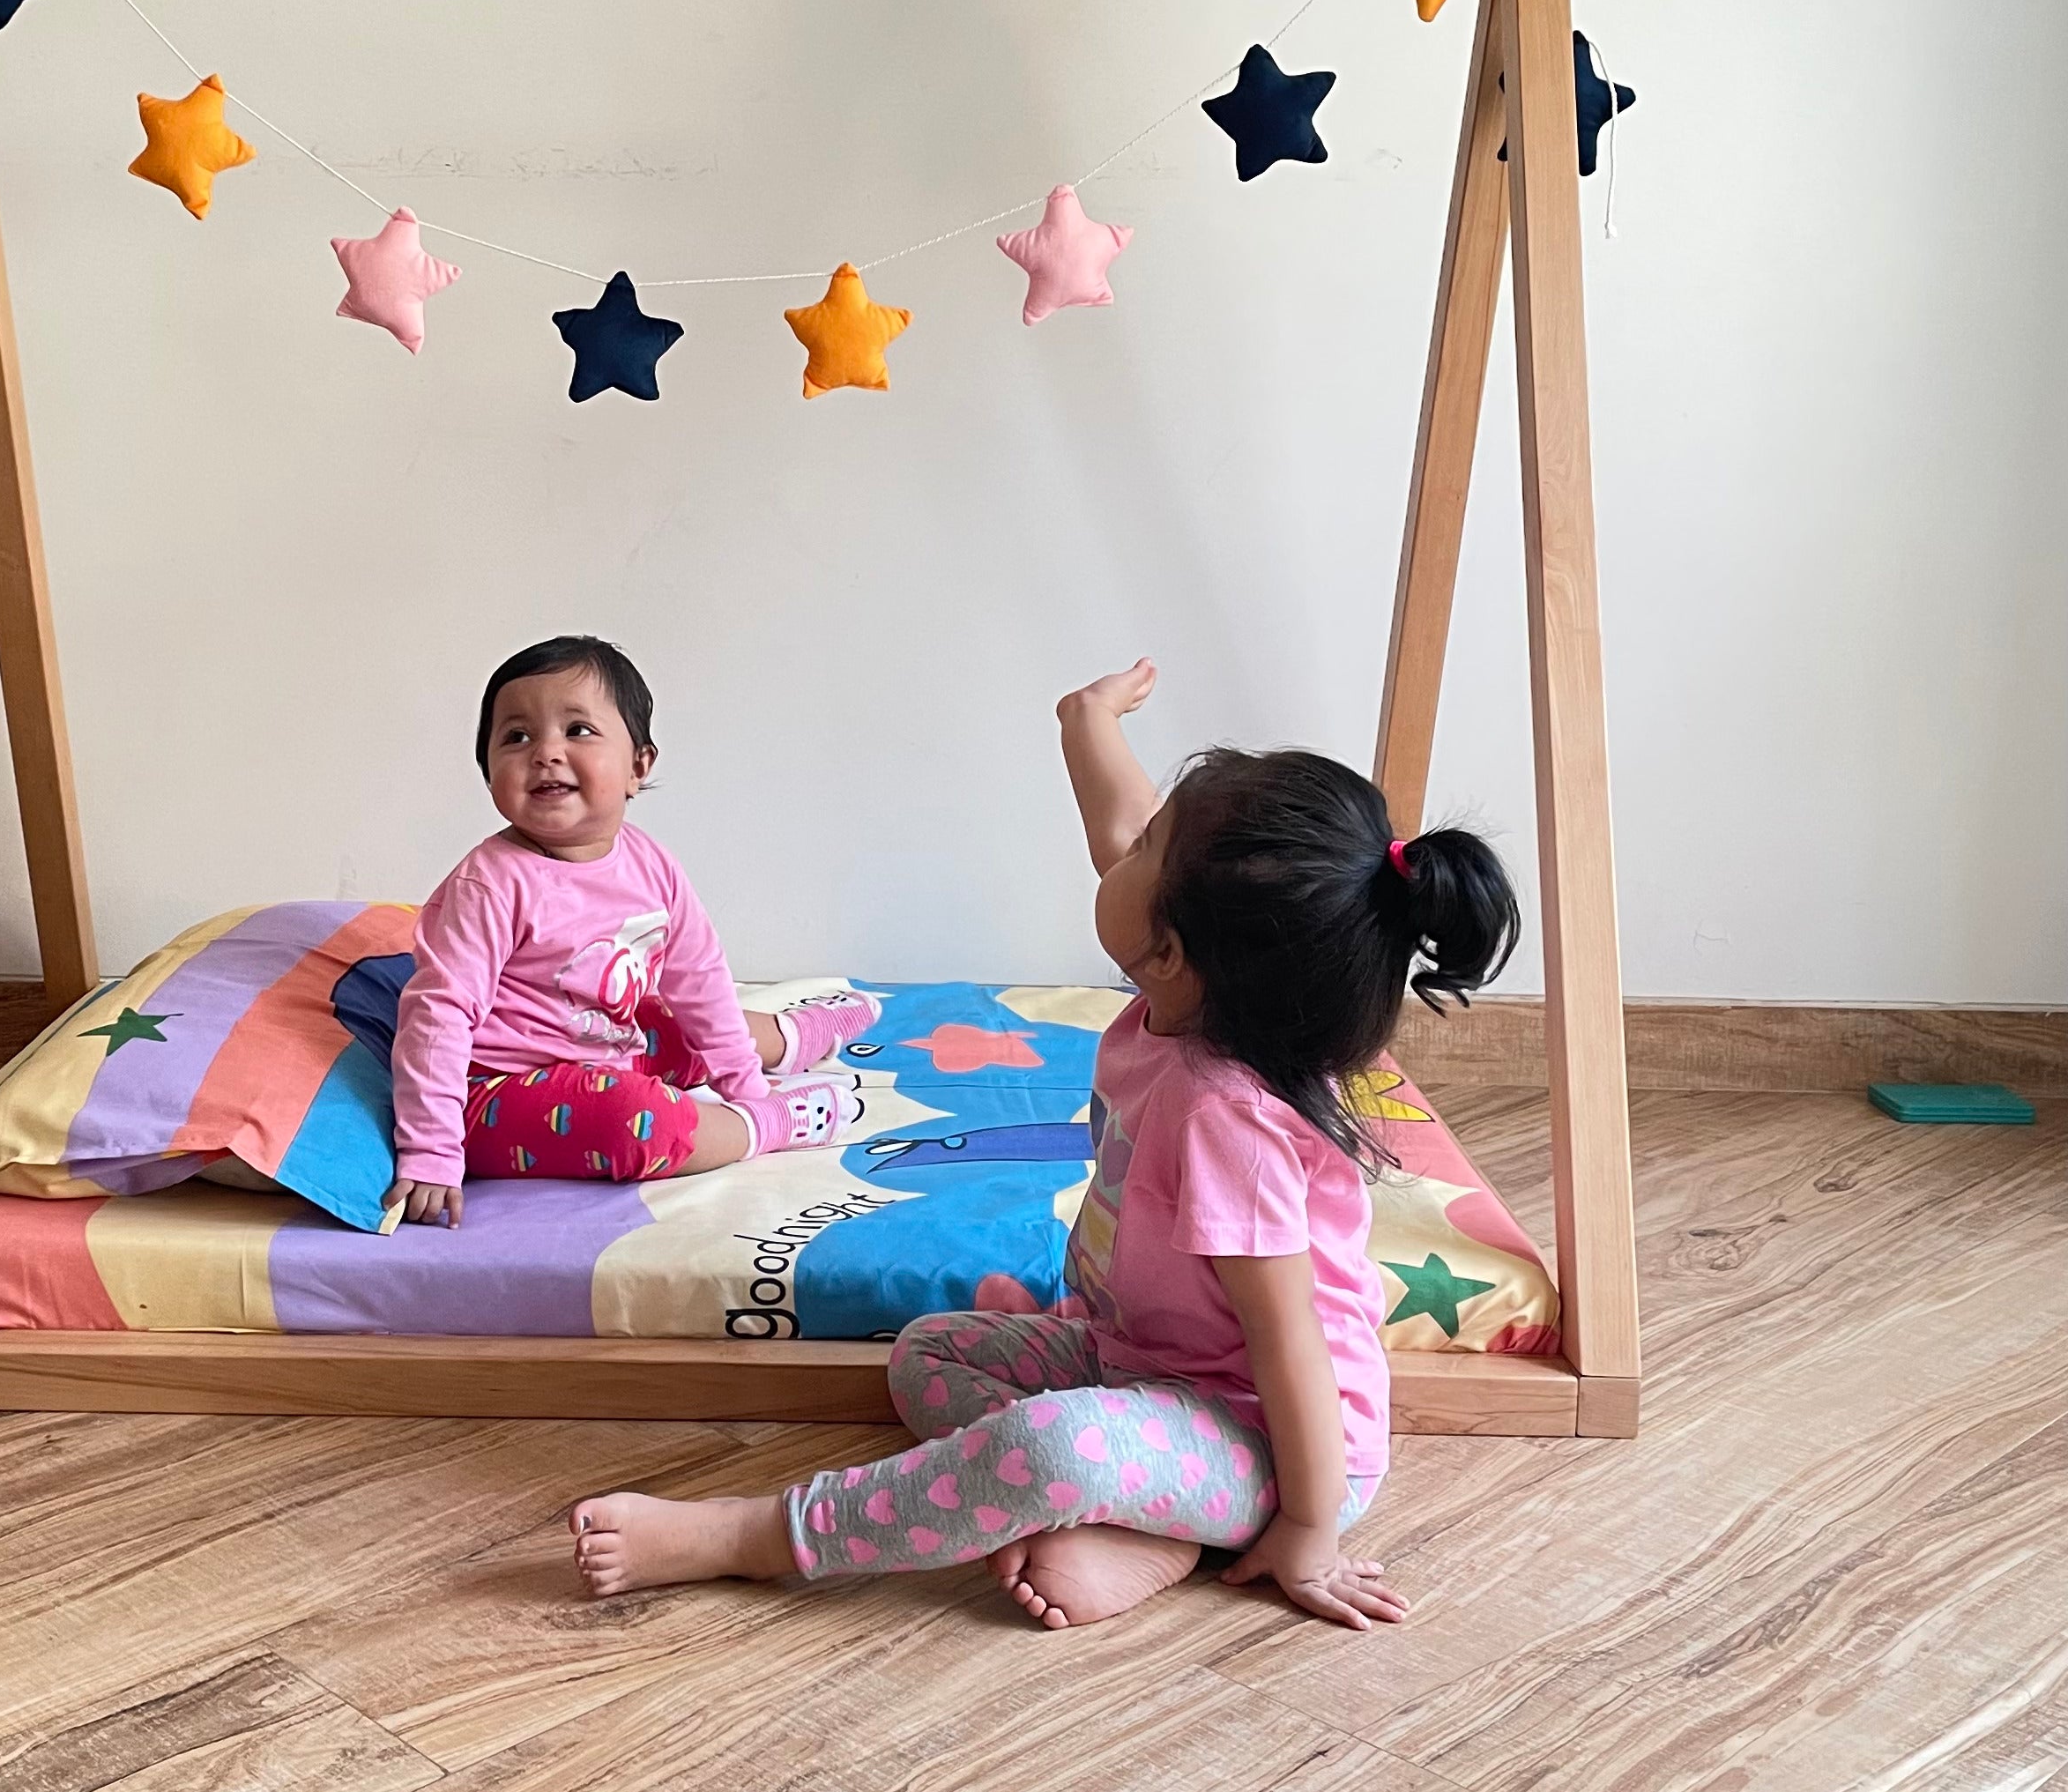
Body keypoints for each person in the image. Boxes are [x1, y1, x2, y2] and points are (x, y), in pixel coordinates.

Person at [569, 656, 1519, 1628]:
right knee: (929, 1353)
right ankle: (1131, 1510)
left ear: (1170, 951)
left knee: (1051, 1450)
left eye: (1147, 846)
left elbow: (1293, 1355)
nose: (1121, 850)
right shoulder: (1197, 992)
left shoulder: (1226, 1118)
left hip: (1270, 1440)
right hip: (1136, 1361)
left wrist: (1309, 1531)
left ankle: (754, 1538)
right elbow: (1124, 830)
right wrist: (1086, 721)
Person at [385, 635, 877, 1227]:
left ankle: (789, 1038)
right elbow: (437, 1018)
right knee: (632, 1121)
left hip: (610, 1045)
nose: (544, 752)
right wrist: (432, 1153)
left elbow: (700, 981)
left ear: (638, 767)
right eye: (515, 737)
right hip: (501, 1091)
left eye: (578, 731)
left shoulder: (652, 864)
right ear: (489, 771)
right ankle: (764, 1128)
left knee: (680, 1020)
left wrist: (745, 1082)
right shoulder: (491, 883)